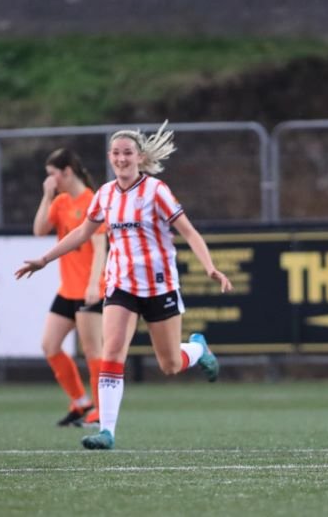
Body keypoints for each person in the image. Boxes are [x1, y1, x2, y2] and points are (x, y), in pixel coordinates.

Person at [15, 121, 232, 450]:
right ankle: (107, 431)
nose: (121, 159)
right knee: (112, 351)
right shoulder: (104, 194)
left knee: (170, 364)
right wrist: (43, 260)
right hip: (120, 286)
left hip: (160, 286)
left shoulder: (156, 191)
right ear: (109, 157)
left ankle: (198, 348)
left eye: (127, 153)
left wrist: (210, 267)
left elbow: (188, 231)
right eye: (116, 153)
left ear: (139, 157)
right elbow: (81, 235)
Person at [33, 148, 106, 427]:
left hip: (90, 289)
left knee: (93, 352)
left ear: (67, 172)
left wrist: (93, 285)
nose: (50, 180)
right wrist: (47, 195)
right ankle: (80, 401)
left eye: (52, 175)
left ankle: (100, 409)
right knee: (49, 345)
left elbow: (101, 247)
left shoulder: (91, 200)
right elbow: (40, 230)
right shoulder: (60, 201)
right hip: (68, 289)